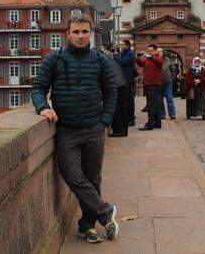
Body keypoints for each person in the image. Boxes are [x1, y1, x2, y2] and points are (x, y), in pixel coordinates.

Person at [31, 14, 119, 244]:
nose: (81, 36)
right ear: (67, 34)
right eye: (76, 32)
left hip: (93, 128)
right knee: (73, 176)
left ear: (90, 33)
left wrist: (104, 121)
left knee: (93, 178)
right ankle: (105, 212)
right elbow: (38, 87)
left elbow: (111, 91)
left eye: (84, 32)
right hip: (67, 130)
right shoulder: (55, 59)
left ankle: (87, 226)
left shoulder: (100, 60)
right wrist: (43, 107)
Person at [136, 44, 164, 131]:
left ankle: (150, 123)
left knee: (152, 105)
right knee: (154, 104)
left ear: (155, 51)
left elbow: (159, 62)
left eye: (151, 51)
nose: (149, 52)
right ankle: (157, 123)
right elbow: (141, 63)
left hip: (154, 84)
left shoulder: (158, 58)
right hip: (149, 84)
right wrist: (138, 58)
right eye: (148, 51)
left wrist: (149, 56)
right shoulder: (148, 59)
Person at [114, 40, 136, 130]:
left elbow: (121, 62)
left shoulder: (130, 54)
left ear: (127, 46)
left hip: (127, 80)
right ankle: (127, 118)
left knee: (129, 101)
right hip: (123, 80)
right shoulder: (124, 53)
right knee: (125, 101)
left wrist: (115, 55)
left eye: (122, 45)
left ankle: (130, 119)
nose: (120, 46)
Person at [158, 48, 176, 120]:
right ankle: (162, 114)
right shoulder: (154, 60)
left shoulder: (168, 60)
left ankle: (172, 114)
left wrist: (171, 78)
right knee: (160, 99)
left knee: (169, 98)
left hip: (168, 82)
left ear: (162, 52)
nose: (159, 53)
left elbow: (173, 69)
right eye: (158, 51)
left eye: (160, 52)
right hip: (158, 83)